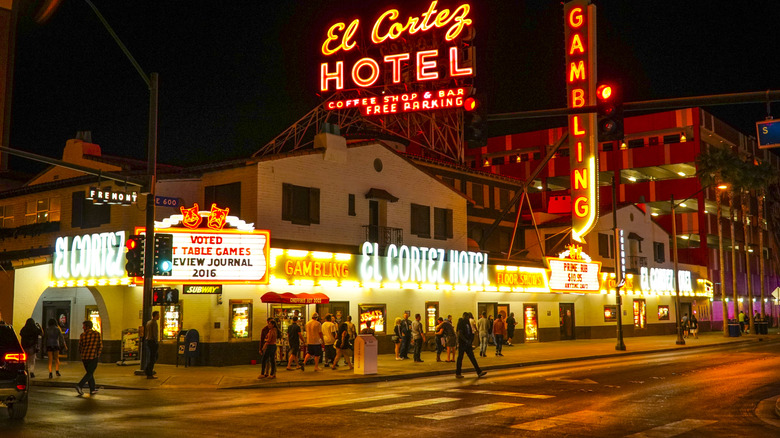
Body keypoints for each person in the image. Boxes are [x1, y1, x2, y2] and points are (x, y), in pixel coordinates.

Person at [455, 312, 486, 379]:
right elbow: (460, 333)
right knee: (460, 358)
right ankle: (458, 373)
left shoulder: (467, 322)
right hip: (463, 343)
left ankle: (479, 371)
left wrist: (470, 340)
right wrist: (465, 341)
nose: (467, 318)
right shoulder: (461, 322)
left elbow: (470, 332)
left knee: (472, 358)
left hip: (467, 343)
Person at [75, 320, 102, 396]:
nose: (82, 327)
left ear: (87, 327)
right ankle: (80, 385)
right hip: (93, 356)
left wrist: (82, 354)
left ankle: (92, 389)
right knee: (90, 373)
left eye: (83, 326)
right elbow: (100, 345)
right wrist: (98, 354)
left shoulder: (82, 335)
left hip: (84, 357)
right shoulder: (97, 334)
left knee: (89, 373)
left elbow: (80, 346)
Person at [144, 311, 160, 379]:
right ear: (155, 315)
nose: (159, 316)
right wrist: (156, 341)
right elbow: (154, 333)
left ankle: (148, 370)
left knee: (151, 357)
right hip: (153, 341)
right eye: (158, 315)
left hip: (148, 341)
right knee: (153, 357)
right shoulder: (154, 323)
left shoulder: (148, 322)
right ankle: (149, 372)